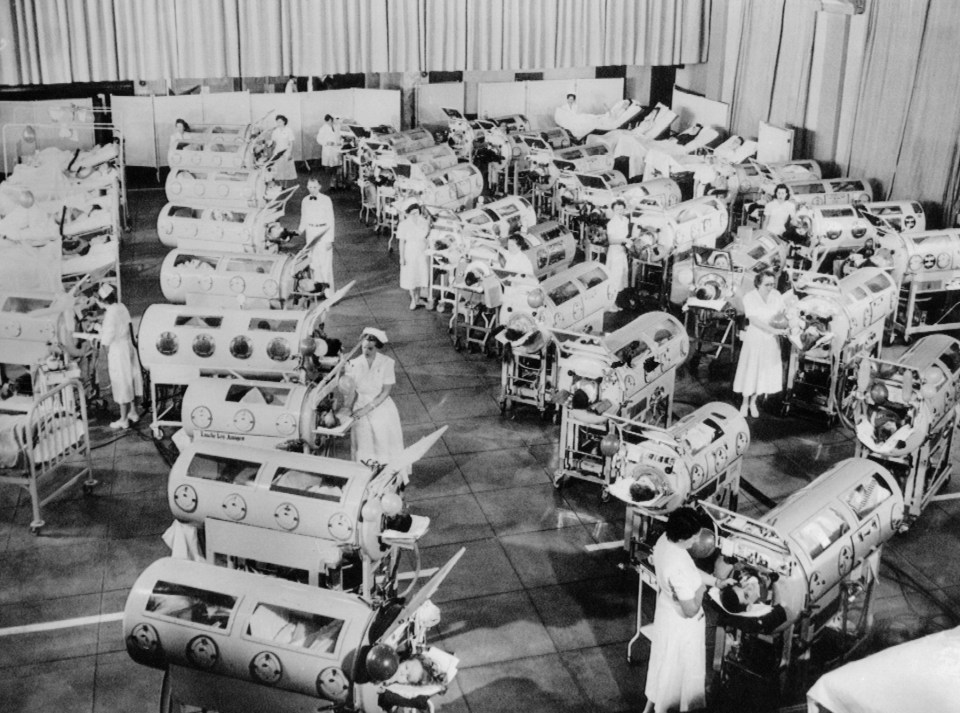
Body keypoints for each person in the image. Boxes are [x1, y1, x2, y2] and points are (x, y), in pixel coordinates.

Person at [643, 507, 728, 713]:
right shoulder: (676, 566)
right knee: (678, 676)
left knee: (662, 668)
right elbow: (690, 609)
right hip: (683, 627)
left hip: (666, 615)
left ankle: (650, 709)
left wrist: (717, 581)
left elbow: (690, 569)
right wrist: (701, 588)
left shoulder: (665, 540)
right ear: (682, 536)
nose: (695, 542)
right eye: (693, 537)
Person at [345, 328, 407, 482]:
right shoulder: (352, 364)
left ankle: (386, 478)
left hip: (381, 408)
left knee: (382, 443)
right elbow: (350, 391)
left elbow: (385, 392)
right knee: (364, 444)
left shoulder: (387, 363)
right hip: (360, 407)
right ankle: (363, 479)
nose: (366, 350)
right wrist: (346, 409)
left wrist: (366, 409)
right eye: (364, 347)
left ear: (377, 347)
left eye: (370, 348)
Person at [733, 270, 786, 417]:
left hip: (770, 341)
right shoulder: (750, 297)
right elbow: (754, 320)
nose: (770, 287)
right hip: (755, 338)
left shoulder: (776, 296)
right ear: (758, 284)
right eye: (767, 284)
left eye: (772, 284)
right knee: (750, 370)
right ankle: (744, 402)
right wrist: (773, 330)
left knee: (762, 372)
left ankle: (753, 402)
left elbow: (783, 313)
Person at [97, 284, 143, 429]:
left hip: (118, 350)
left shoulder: (110, 313)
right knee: (130, 379)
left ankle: (123, 419)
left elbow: (107, 339)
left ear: (102, 300)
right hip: (128, 346)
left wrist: (98, 330)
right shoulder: (121, 306)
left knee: (121, 382)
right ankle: (133, 412)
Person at [299, 178, 336, 292]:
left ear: (319, 187)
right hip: (310, 233)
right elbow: (303, 218)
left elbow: (331, 220)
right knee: (314, 263)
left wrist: (330, 239)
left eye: (314, 187)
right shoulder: (305, 200)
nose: (312, 190)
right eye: (310, 187)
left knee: (325, 264)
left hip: (323, 233)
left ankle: (328, 292)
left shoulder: (326, 200)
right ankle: (317, 289)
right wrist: (299, 231)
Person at [397, 203, 430, 310]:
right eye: (413, 213)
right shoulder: (403, 225)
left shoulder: (423, 222)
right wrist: (401, 257)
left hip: (422, 251)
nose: (415, 215)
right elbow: (401, 242)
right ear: (408, 214)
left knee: (420, 274)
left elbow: (426, 234)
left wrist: (429, 222)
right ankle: (413, 299)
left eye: (417, 213)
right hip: (410, 252)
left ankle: (418, 297)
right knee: (410, 276)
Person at [605, 199, 630, 312]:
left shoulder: (625, 220)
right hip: (615, 252)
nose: (619, 211)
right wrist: (623, 240)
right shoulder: (611, 223)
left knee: (620, 277)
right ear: (613, 211)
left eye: (621, 209)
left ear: (624, 209)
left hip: (622, 251)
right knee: (614, 278)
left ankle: (614, 302)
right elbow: (610, 240)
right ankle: (610, 304)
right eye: (617, 209)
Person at [316, 115, 342, 189]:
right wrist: (327, 142)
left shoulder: (337, 127)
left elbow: (339, 137)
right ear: (330, 120)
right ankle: (332, 184)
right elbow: (319, 139)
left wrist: (340, 142)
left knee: (337, 166)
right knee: (330, 168)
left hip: (336, 149)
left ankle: (338, 183)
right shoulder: (323, 128)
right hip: (328, 150)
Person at [270, 114, 297, 184]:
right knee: (278, 170)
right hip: (277, 152)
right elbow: (273, 143)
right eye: (277, 122)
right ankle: (280, 185)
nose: (278, 123)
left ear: (284, 122)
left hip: (286, 152)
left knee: (286, 170)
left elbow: (291, 143)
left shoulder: (289, 130)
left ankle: (285, 186)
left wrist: (290, 153)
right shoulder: (275, 131)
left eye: (280, 122)